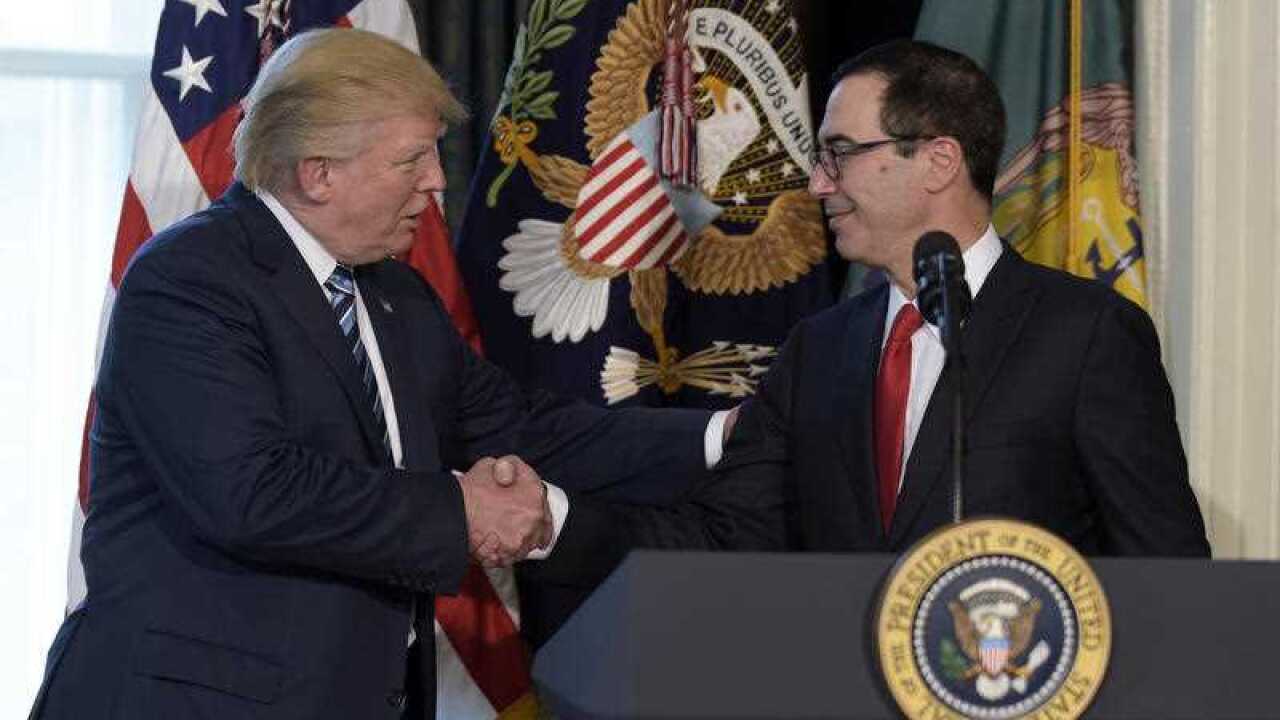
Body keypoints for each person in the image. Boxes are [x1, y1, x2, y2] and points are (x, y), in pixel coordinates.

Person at [29, 28, 733, 720]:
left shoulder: (397, 296)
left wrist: (724, 435)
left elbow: (522, 429)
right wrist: (463, 511)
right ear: (319, 172)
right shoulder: (190, 280)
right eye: (412, 159)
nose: (437, 181)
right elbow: (253, 491)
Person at [533, 40, 1210, 641]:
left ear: (939, 161)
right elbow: (722, 539)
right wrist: (550, 522)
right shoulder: (818, 350)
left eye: (840, 154)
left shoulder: (1086, 334)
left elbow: (1165, 578)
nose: (817, 183)